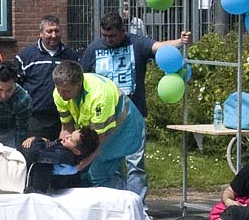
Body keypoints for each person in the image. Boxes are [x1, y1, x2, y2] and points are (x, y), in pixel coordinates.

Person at [81, 11, 192, 206]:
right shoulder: (94, 49)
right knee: (109, 164)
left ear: (122, 31)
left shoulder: (136, 43)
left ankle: (138, 206)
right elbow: (84, 80)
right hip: (106, 118)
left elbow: (159, 47)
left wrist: (181, 41)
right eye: (104, 36)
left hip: (133, 116)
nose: (108, 40)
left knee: (135, 164)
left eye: (112, 36)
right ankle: (116, 204)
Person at [52, 60, 145, 191]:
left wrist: (81, 165)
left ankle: (124, 206)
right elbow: (66, 127)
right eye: (59, 89)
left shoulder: (99, 96)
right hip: (96, 131)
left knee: (97, 173)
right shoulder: (59, 92)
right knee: (86, 172)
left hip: (124, 129)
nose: (61, 94)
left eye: (66, 91)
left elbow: (98, 141)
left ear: (78, 85)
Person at [15, 15, 78, 140]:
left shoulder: (71, 56)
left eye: (57, 31)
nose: (53, 35)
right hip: (35, 119)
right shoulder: (26, 56)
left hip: (63, 118)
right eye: (49, 31)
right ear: (41, 33)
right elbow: (16, 87)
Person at [19, 127, 99, 193]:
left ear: (76, 152)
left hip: (30, 181)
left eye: (70, 139)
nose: (67, 136)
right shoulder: (63, 148)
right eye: (70, 134)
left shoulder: (64, 155)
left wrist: (37, 139)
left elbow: (35, 154)